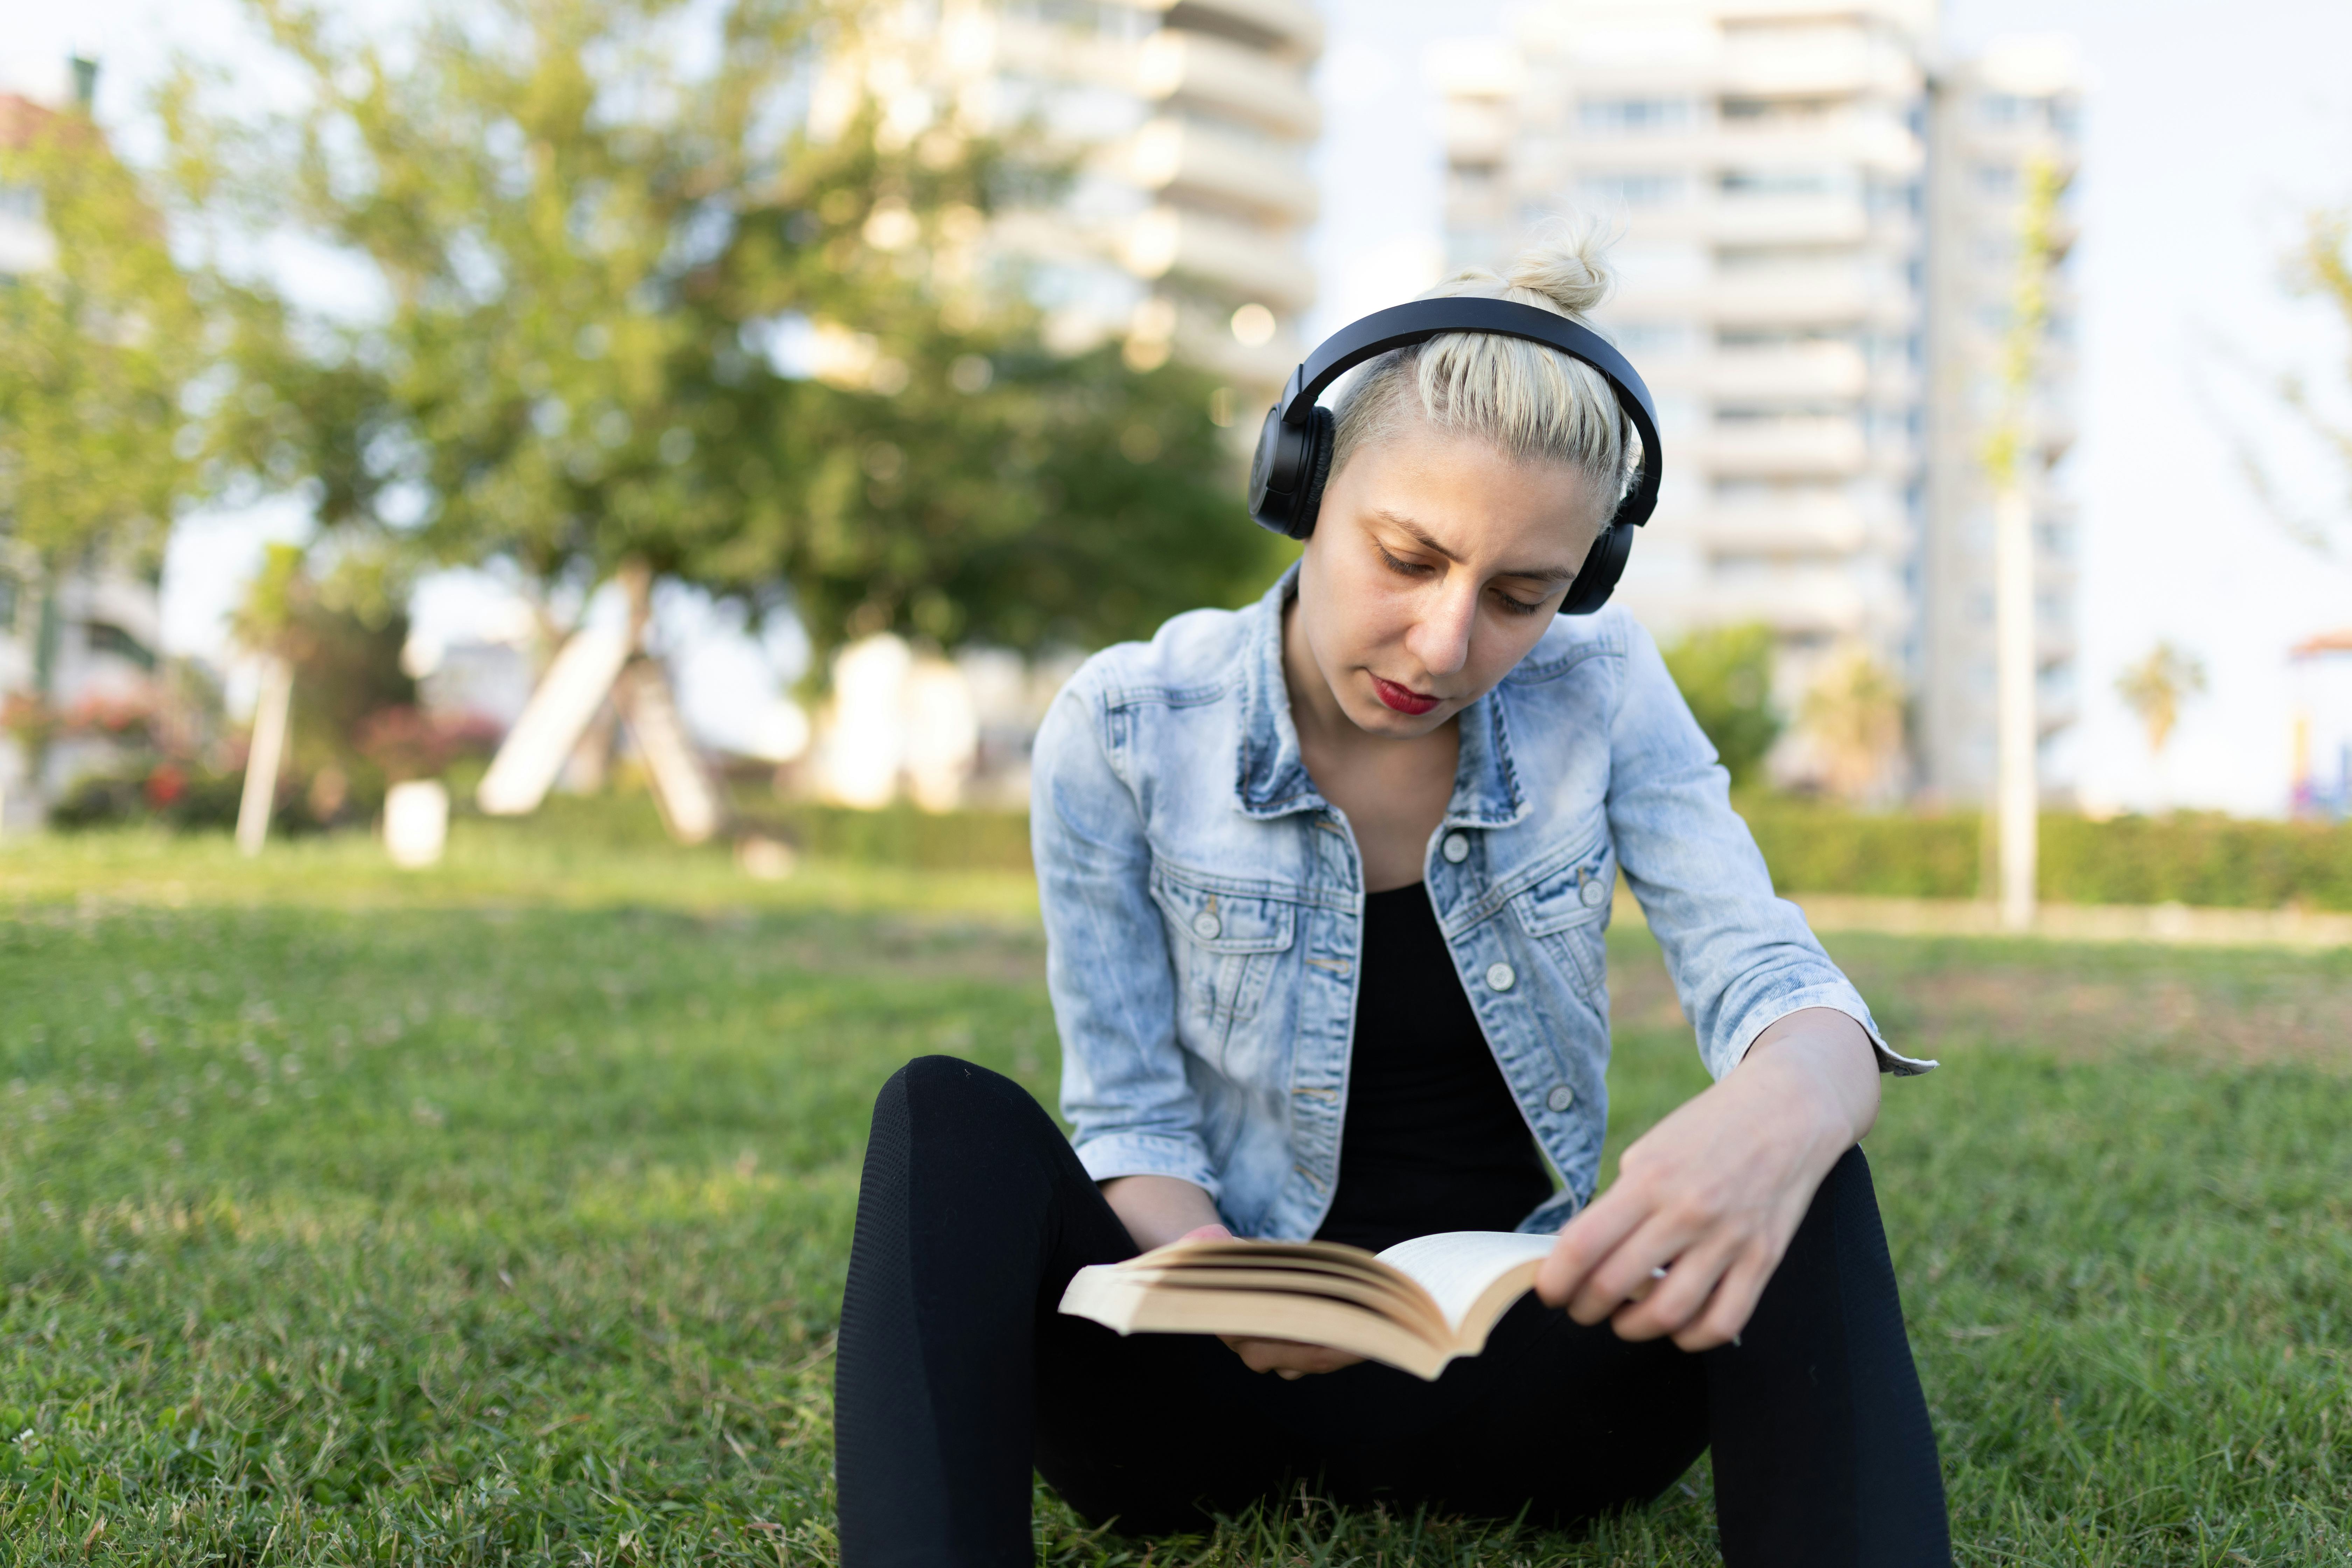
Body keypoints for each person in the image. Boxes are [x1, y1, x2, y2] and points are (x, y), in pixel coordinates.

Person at [833, 226, 1952, 1567]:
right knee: (941, 1116)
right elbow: (1128, 1114)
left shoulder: (1598, 688)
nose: (1446, 642)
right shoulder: (1128, 725)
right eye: (1409, 559)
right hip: (1198, 1402)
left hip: (1527, 1405)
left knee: (1795, 1157)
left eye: (1521, 595)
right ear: (1303, 486)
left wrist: (1790, 1105)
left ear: (1580, 587)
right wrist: (1216, 1283)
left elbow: (1761, 964)